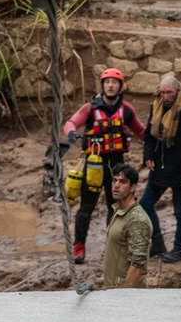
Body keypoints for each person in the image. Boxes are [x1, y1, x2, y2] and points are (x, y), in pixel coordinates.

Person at [63, 68, 147, 265]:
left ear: (120, 86)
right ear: (102, 85)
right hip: (93, 164)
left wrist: (157, 146)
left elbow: (141, 132)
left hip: (116, 166)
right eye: (107, 82)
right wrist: (72, 133)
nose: (110, 85)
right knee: (86, 207)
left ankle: (110, 246)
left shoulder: (127, 110)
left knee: (115, 207)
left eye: (114, 82)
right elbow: (71, 123)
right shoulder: (90, 108)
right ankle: (79, 247)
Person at [140, 75, 181, 264]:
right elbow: (149, 136)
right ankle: (158, 243)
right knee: (144, 205)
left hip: (180, 169)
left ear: (177, 91)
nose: (165, 96)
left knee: (180, 212)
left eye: (169, 92)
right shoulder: (156, 106)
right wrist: (148, 156)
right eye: (163, 92)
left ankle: (179, 249)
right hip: (159, 167)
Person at [103, 164, 152, 288]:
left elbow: (137, 266)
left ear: (133, 187)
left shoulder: (137, 219)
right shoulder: (118, 211)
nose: (116, 185)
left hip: (124, 296)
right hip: (112, 291)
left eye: (123, 182)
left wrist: (125, 299)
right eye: (114, 180)